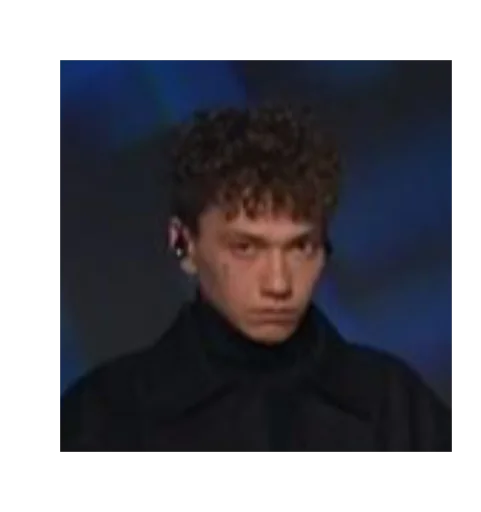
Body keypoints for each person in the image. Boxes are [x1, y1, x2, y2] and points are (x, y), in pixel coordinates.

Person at [57, 105, 455, 456]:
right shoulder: (104, 420)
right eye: (246, 248)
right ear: (183, 244)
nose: (279, 284)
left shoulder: (394, 408)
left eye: (300, 247)